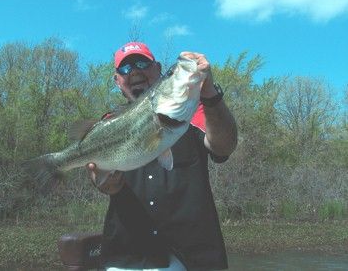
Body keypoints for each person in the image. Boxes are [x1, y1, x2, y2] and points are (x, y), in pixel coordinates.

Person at [86, 42, 237, 270]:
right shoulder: (109, 124)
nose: (134, 71)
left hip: (191, 256)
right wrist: (102, 182)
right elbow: (98, 174)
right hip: (127, 254)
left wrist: (210, 94)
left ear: (157, 69)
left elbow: (224, 147)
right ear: (117, 81)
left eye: (142, 63)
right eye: (125, 69)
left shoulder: (194, 111)